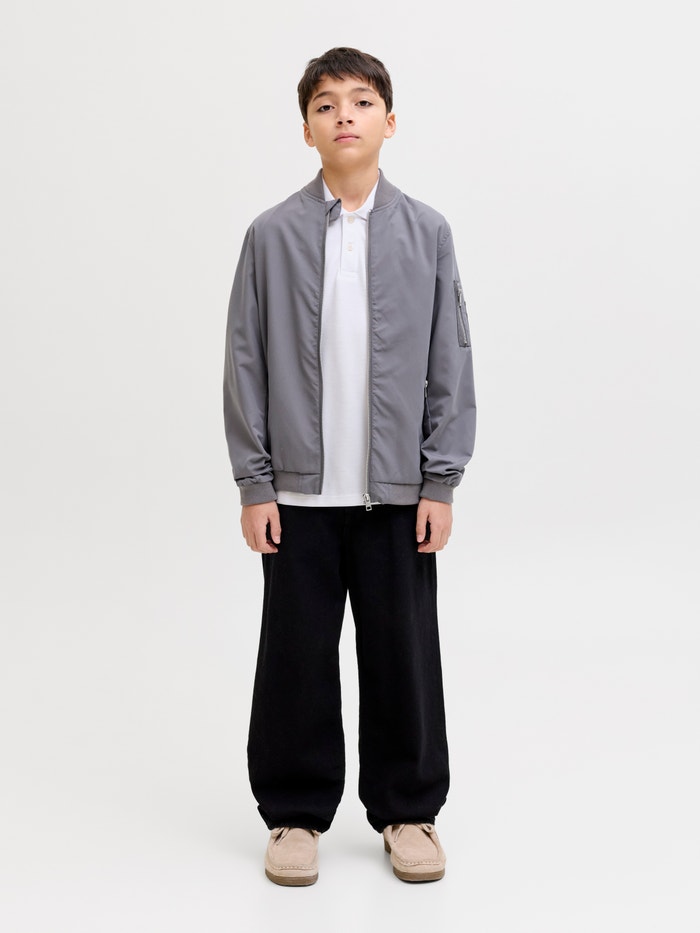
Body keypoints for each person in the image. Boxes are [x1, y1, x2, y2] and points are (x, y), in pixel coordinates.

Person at [223, 46, 476, 886]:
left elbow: (450, 359)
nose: (344, 115)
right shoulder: (271, 235)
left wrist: (439, 480)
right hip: (297, 497)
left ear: (388, 122)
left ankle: (409, 810)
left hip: (396, 497)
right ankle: (294, 814)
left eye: (361, 102)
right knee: (295, 659)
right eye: (326, 104)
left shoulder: (427, 232)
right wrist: (256, 482)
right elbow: (245, 362)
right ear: (307, 129)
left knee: (403, 654)